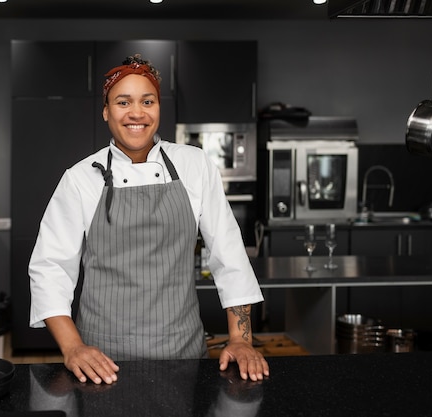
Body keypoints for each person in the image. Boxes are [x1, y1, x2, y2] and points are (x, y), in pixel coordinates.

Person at [29, 54, 269, 385]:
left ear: (158, 108)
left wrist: (241, 339)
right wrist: (73, 348)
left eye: (147, 101)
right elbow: (50, 267)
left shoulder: (194, 165)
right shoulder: (81, 178)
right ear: (106, 111)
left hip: (182, 352)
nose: (137, 113)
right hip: (102, 362)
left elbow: (229, 255)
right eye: (123, 102)